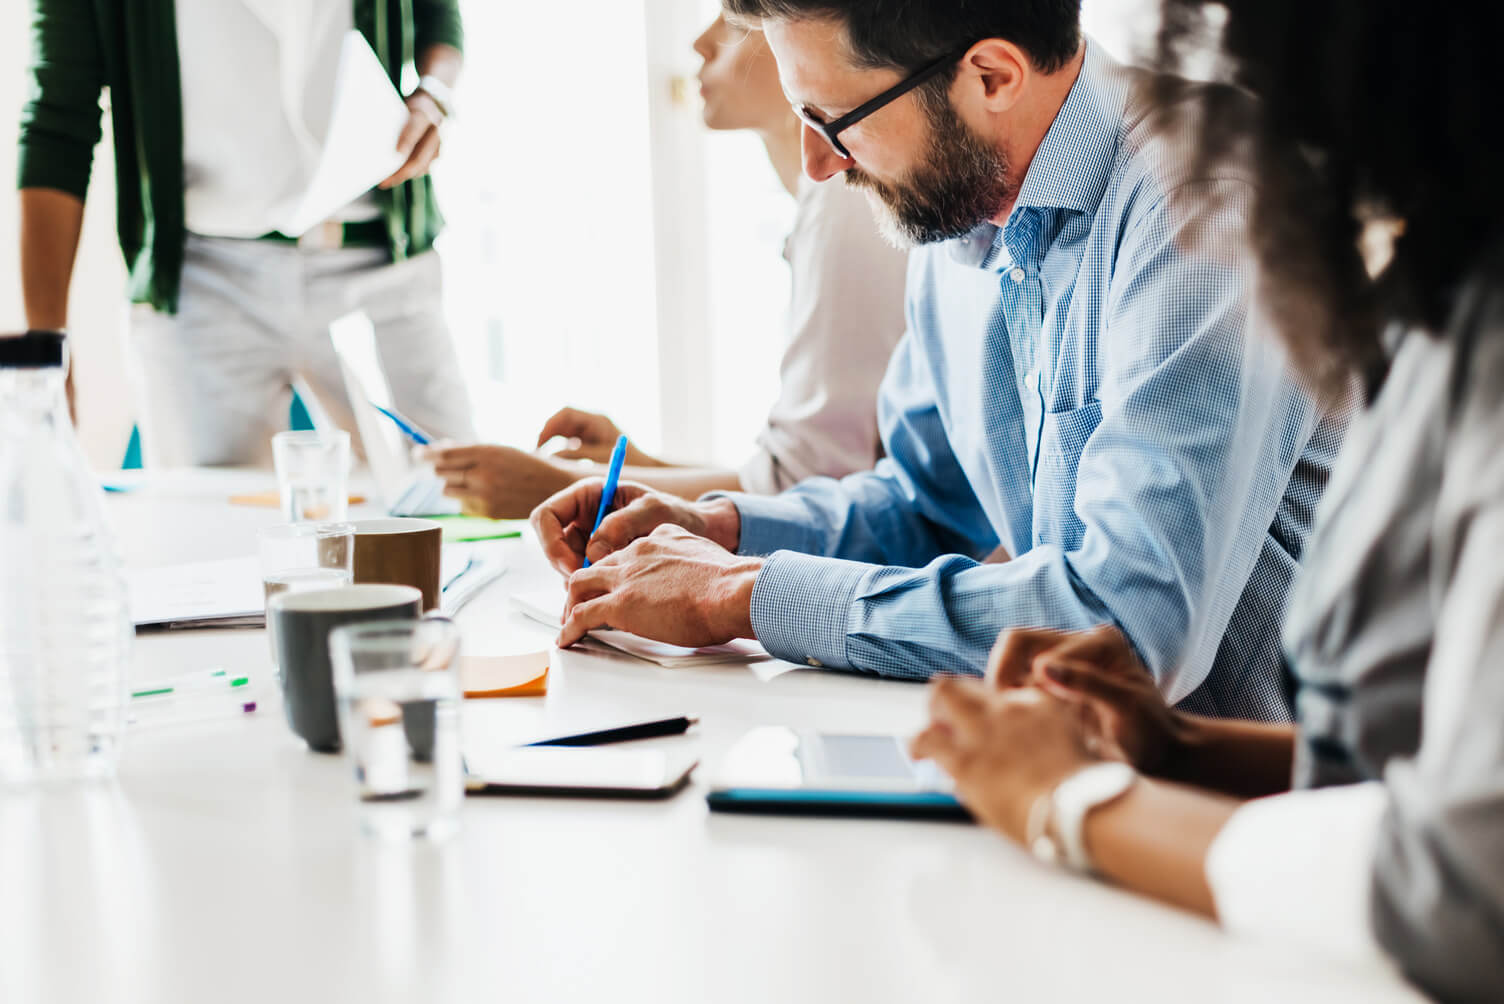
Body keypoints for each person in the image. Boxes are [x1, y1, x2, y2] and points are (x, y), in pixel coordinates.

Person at [909, 1, 1504, 998]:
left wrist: (1076, 801)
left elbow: (1464, 894)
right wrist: (1182, 744)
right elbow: (1420, 779)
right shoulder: (1444, 291)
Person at [530, 0, 1344, 722]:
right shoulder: (957, 207)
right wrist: (722, 531)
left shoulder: (1209, 209)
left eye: (834, 120)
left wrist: (737, 593)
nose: (818, 164)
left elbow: (1129, 630)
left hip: (1259, 826)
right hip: (1065, 778)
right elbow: (923, 505)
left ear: (992, 76)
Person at [424, 14, 909, 518]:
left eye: (733, 23)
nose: (700, 44)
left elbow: (807, 484)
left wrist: (570, 487)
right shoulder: (827, 204)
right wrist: (643, 467)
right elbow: (811, 475)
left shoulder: (845, 206)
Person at [17, 0, 476, 465]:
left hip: (379, 257)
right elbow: (57, 122)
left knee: (454, 502)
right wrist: (45, 349)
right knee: (208, 521)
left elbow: (436, 11)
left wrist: (434, 93)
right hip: (201, 278)